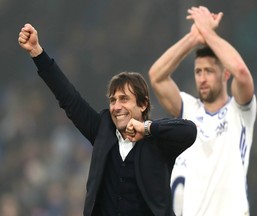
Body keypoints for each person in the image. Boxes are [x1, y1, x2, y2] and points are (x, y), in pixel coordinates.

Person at [18, 23, 197, 216]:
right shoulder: (102, 129)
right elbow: (69, 98)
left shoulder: (157, 141)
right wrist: (38, 53)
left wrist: (147, 128)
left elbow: (189, 131)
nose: (116, 106)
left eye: (124, 99)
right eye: (113, 100)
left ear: (143, 104)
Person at [149, 6, 257, 216]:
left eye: (209, 71)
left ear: (225, 73)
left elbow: (242, 73)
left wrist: (208, 32)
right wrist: (193, 38)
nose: (202, 78)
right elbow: (156, 76)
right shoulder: (188, 108)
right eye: (198, 71)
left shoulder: (240, 111)